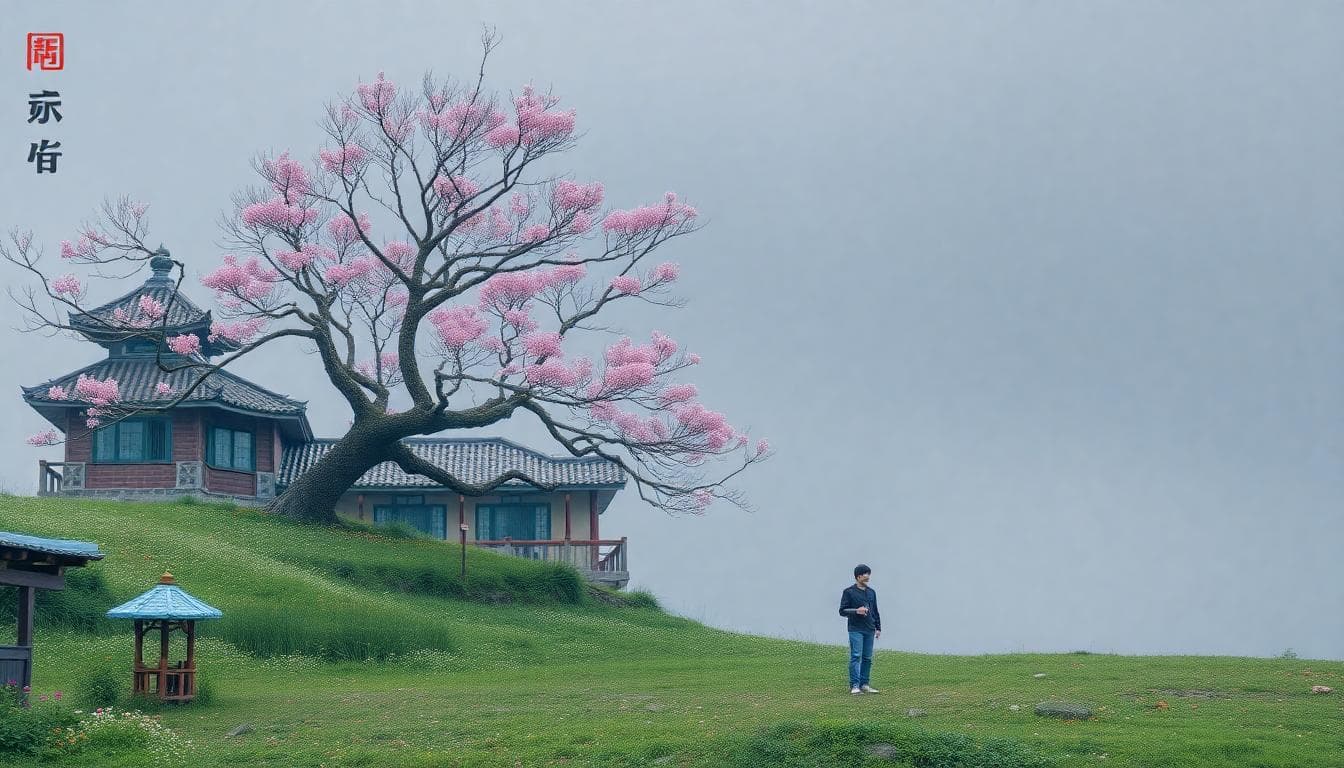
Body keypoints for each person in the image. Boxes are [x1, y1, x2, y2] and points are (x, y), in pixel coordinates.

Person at [838, 563, 881, 694]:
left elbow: (875, 611)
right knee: (856, 656)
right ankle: (855, 686)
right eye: (865, 574)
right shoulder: (849, 592)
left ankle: (864, 684)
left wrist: (878, 627)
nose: (868, 577)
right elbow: (842, 611)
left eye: (869, 574)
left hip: (870, 629)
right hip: (855, 629)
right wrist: (856, 611)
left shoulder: (871, 592)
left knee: (867, 657)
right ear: (858, 576)